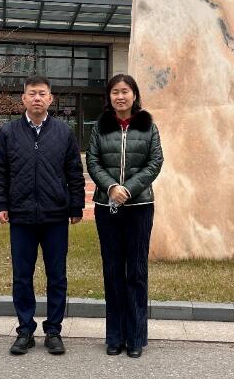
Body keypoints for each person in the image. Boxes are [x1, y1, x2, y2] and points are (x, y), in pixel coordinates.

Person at [0, 75, 85, 356]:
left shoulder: (63, 133)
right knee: (22, 276)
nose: (37, 98)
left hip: (55, 216)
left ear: (50, 99)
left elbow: (74, 173)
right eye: (32, 93)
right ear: (23, 98)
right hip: (20, 216)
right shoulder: (8, 133)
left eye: (42, 93)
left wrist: (76, 206)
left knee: (57, 276)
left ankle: (54, 331)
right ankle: (25, 331)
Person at [86, 74, 164, 359]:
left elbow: (156, 162)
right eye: (115, 92)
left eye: (125, 91)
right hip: (107, 208)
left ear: (134, 95)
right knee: (113, 271)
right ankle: (115, 336)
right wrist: (110, 188)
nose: (120, 96)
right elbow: (92, 161)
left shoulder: (148, 126)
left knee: (137, 272)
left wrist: (127, 190)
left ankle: (136, 337)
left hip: (139, 206)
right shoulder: (99, 127)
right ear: (109, 97)